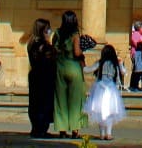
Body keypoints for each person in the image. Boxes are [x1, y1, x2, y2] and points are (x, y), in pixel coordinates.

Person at [52, 9, 86, 137]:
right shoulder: (75, 34)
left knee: (61, 99)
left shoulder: (57, 33)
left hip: (60, 67)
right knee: (75, 100)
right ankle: (75, 129)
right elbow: (77, 52)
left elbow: (54, 50)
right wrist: (83, 54)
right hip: (73, 66)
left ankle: (62, 129)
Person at [84, 42, 127, 141]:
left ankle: (102, 134)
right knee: (110, 112)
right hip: (111, 89)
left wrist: (82, 66)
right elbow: (124, 72)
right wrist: (121, 63)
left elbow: (88, 70)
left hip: (100, 88)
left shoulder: (100, 63)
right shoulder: (115, 63)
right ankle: (109, 133)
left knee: (100, 112)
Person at [27, 18, 57, 138]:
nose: (49, 32)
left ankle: (36, 128)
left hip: (35, 76)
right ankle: (41, 128)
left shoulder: (31, 44)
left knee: (35, 103)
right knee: (43, 103)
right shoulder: (43, 46)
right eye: (47, 30)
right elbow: (49, 60)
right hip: (43, 77)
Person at [129, 21, 142, 91]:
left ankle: (135, 85)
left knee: (138, 70)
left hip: (141, 54)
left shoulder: (141, 35)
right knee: (138, 70)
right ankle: (134, 86)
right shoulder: (136, 34)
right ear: (139, 28)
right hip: (137, 54)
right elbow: (136, 44)